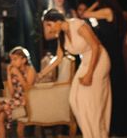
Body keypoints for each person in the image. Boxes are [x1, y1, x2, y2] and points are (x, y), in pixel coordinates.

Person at [39, 9, 111, 138]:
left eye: (49, 25)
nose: (49, 29)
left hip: (99, 59)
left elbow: (95, 47)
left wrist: (89, 74)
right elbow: (59, 58)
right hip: (86, 61)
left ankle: (98, 134)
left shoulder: (77, 25)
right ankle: (89, 134)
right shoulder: (62, 35)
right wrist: (42, 73)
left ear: (58, 21)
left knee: (91, 101)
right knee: (74, 98)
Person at [83, 0, 127, 136]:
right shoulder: (117, 14)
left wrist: (96, 3)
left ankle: (116, 126)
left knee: (113, 90)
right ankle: (118, 126)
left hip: (110, 55)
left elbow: (85, 14)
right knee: (116, 89)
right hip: (116, 55)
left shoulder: (107, 11)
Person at [0, 46, 36, 138]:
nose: (12, 62)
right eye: (11, 60)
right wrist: (9, 74)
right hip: (15, 100)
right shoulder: (13, 71)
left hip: (26, 100)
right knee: (1, 116)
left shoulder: (31, 70)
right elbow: (11, 92)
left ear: (24, 60)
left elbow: (28, 89)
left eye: (15, 59)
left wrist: (18, 74)